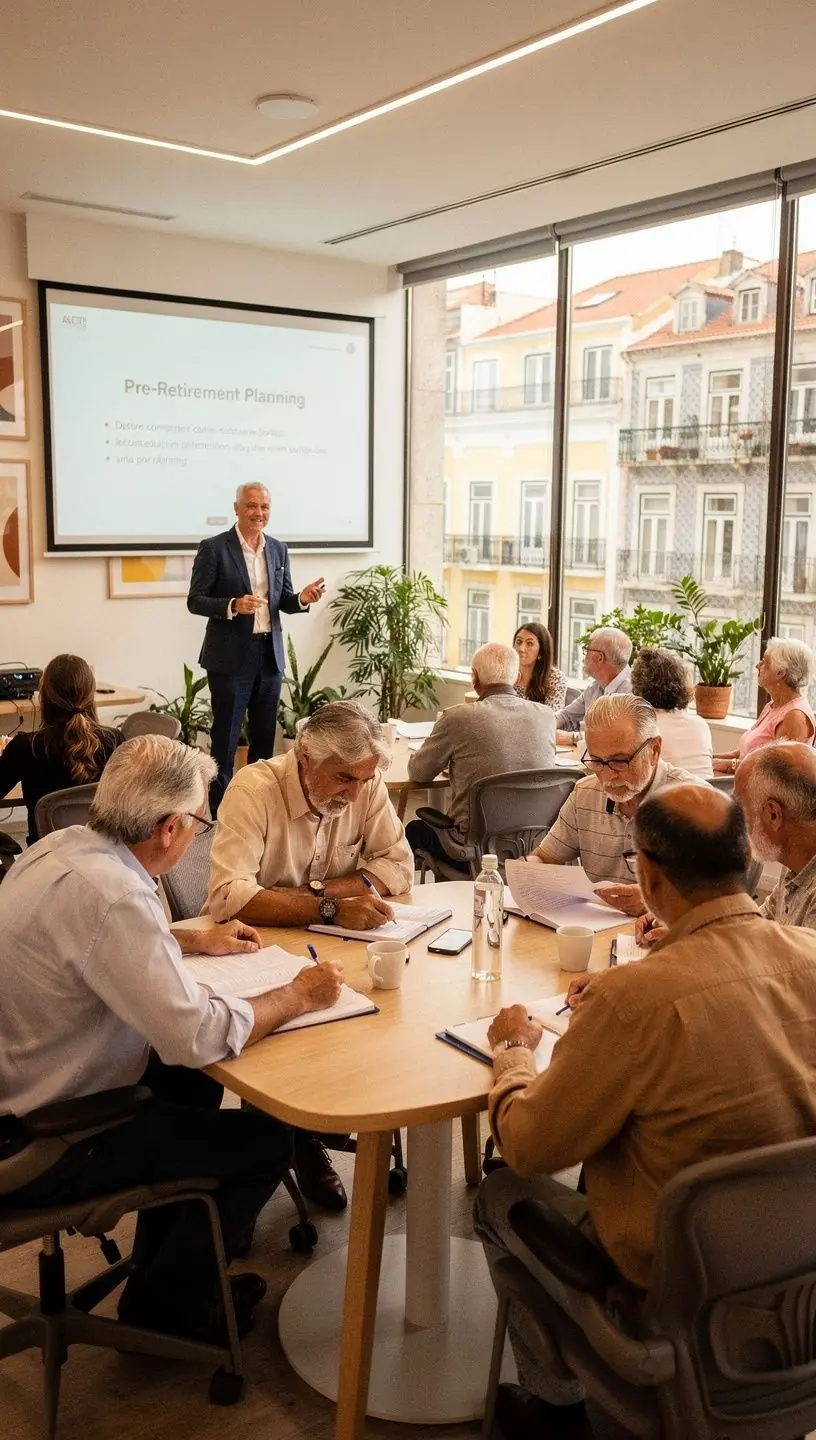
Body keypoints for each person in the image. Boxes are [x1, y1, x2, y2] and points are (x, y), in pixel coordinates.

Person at [475, 784, 816, 1439]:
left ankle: (555, 1411)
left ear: (649, 873)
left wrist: (514, 1053)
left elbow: (527, 1144)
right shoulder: (804, 957)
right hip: (796, 1287)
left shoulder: (635, 1002)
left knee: (500, 1195)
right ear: (746, 856)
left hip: (670, 1305)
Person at [0, 734, 344, 1344]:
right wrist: (299, 994)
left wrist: (188, 941)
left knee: (189, 1089)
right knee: (263, 1137)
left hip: (19, 1087)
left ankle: (173, 1265)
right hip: (46, 1138)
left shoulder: (57, 848)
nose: (197, 836)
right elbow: (198, 1034)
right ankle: (169, 1305)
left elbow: (91, 944)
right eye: (199, 824)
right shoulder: (117, 896)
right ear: (168, 827)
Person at [208, 699, 413, 1208]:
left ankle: (310, 1132)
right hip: (260, 953)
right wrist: (327, 907)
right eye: (343, 778)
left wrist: (320, 892)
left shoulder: (364, 786)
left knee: (387, 1018)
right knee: (283, 1039)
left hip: (339, 948)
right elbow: (229, 896)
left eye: (364, 779)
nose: (357, 792)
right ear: (305, 759)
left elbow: (399, 864)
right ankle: (287, 1144)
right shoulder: (254, 789)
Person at [187, 483, 327, 813]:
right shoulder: (214, 548)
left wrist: (302, 599)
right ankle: (220, 817)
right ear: (236, 508)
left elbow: (283, 601)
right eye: (252, 506)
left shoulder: (278, 549)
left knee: (264, 738)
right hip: (230, 657)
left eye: (265, 506)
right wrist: (234, 604)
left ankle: (259, 810)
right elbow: (195, 600)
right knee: (226, 737)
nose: (259, 513)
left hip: (269, 654)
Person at [529, 693, 698, 916]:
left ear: (654, 751)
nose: (607, 776)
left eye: (619, 761)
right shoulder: (586, 793)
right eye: (597, 761)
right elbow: (544, 857)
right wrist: (531, 869)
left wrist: (659, 901)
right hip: (595, 931)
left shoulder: (695, 803)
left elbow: (722, 900)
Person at [405, 643, 557, 871]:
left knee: (413, 830)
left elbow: (419, 773)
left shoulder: (457, 717)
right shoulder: (546, 716)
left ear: (474, 678)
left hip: (471, 853)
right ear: (516, 678)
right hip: (532, 848)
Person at [0, 653, 124, 845]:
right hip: (104, 858)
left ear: (44, 695)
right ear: (90, 695)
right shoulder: (115, 740)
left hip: (46, 861)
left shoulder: (26, 747)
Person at [713, 636, 815, 775]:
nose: (757, 666)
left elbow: (775, 769)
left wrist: (730, 765)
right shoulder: (773, 705)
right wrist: (711, 759)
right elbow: (746, 752)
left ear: (780, 673)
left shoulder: (795, 716)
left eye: (764, 662)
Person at [630, 646, 713, 777]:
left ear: (637, 685)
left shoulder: (642, 727)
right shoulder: (700, 724)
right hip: (707, 795)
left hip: (667, 796)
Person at [553, 626, 632, 744]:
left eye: (587, 650)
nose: (584, 657)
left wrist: (572, 738)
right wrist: (543, 725)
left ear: (600, 658)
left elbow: (614, 737)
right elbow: (566, 716)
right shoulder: (595, 686)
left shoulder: (632, 692)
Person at [512, 623, 567, 710]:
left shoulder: (555, 678)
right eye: (519, 642)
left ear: (541, 652)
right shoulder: (506, 673)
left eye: (529, 643)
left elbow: (552, 717)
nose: (521, 649)